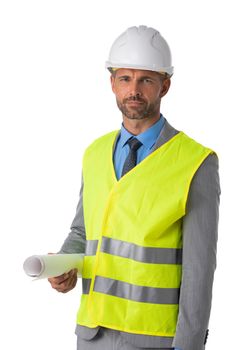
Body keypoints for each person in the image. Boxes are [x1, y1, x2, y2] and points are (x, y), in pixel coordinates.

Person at [48, 25, 220, 350]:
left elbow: (200, 268)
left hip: (155, 340)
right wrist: (65, 263)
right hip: (92, 334)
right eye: (125, 78)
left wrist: (189, 345)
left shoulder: (197, 162)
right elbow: (83, 233)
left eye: (146, 79)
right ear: (112, 83)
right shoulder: (95, 153)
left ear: (164, 86)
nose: (134, 90)